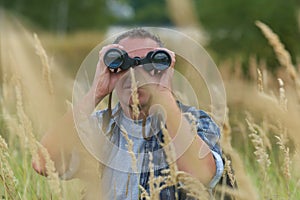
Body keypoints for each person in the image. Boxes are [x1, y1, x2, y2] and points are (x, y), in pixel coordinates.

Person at [33, 28, 224, 200]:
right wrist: (96, 92)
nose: (135, 75)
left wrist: (164, 93)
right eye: (123, 63)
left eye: (150, 64)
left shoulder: (195, 122)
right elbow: (42, 162)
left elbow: (201, 176)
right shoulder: (100, 127)